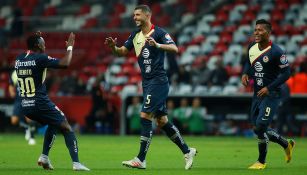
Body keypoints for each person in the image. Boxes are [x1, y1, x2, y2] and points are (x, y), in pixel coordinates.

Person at [105, 4, 197, 170]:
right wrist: (113, 47)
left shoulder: (159, 32)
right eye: (134, 15)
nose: (135, 18)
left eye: (138, 15)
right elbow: (122, 52)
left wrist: (157, 45)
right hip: (147, 82)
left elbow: (175, 48)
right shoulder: (135, 34)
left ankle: (141, 159)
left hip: (158, 81)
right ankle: (187, 150)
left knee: (144, 115)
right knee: (162, 121)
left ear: (147, 16)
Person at [14, 31, 89, 171]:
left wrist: (35, 38)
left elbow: (31, 60)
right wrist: (70, 47)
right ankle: (77, 164)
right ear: (37, 45)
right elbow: (65, 63)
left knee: (54, 123)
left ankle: (44, 157)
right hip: (39, 102)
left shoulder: (19, 59)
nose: (45, 44)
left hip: (25, 104)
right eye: (42, 42)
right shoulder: (40, 58)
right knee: (66, 127)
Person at [241, 19, 295, 170]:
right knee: (257, 128)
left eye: (260, 30)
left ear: (268, 33)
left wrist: (269, 88)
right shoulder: (252, 47)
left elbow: (286, 74)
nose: (256, 32)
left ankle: (261, 161)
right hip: (257, 93)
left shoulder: (277, 51)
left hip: (272, 94)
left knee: (261, 126)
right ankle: (286, 143)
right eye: (255, 30)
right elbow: (248, 61)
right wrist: (245, 73)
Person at [9, 70, 36, 145]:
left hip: (28, 98)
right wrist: (11, 92)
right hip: (18, 100)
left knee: (29, 118)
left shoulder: (30, 71)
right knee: (14, 121)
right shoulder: (15, 73)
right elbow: (11, 84)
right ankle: (26, 128)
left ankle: (32, 138)